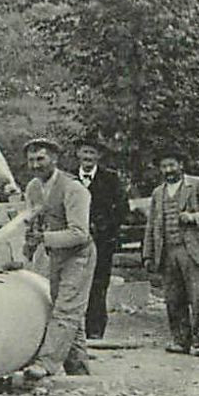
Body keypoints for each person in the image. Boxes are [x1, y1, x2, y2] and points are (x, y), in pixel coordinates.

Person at [20, 137, 95, 380]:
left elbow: (79, 232)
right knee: (68, 311)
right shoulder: (33, 187)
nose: (35, 165)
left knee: (66, 309)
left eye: (40, 159)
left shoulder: (74, 189)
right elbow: (32, 219)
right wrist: (29, 245)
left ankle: (46, 363)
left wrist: (43, 238)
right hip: (55, 255)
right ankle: (79, 369)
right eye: (31, 160)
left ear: (55, 159)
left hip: (79, 255)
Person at [141, 150, 199, 358]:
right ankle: (180, 340)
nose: (168, 170)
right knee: (173, 299)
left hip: (192, 250)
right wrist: (148, 254)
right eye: (164, 166)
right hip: (167, 252)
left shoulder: (197, 185)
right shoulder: (158, 193)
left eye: (172, 165)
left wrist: (193, 218)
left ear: (181, 165)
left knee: (198, 298)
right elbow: (152, 226)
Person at [77, 140, 130, 340]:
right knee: (74, 283)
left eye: (92, 153)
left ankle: (95, 330)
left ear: (98, 157)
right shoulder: (69, 178)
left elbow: (122, 210)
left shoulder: (110, 179)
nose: (88, 157)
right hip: (74, 242)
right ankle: (74, 330)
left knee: (98, 285)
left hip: (102, 243)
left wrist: (105, 228)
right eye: (85, 152)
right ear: (78, 154)